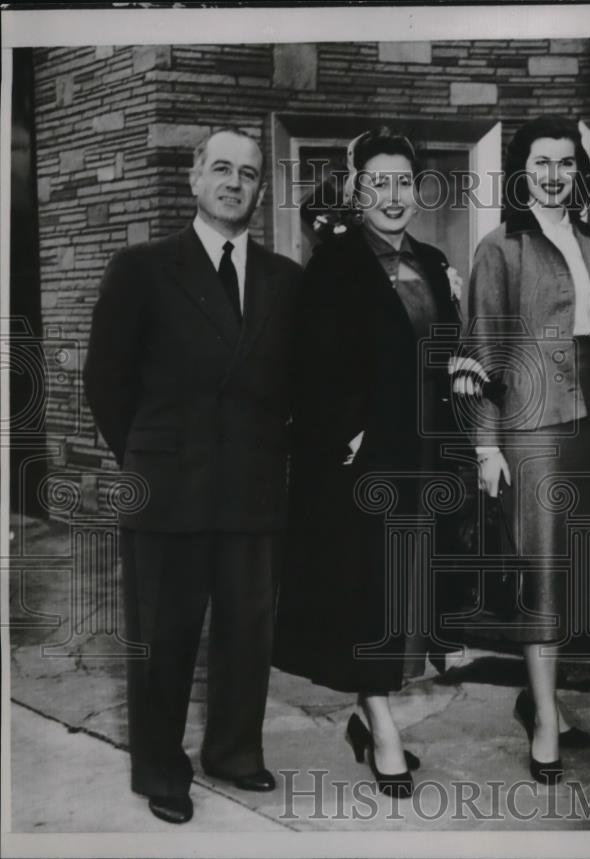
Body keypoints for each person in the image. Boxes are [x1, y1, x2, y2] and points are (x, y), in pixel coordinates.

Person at [83, 129, 302, 824]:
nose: (235, 182)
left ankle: (235, 751)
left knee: (247, 633)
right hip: (168, 487)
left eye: (249, 173)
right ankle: (160, 767)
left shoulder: (286, 279)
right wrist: (150, 455)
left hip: (253, 488)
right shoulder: (142, 268)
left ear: (262, 188)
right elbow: (105, 381)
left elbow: (298, 388)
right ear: (194, 179)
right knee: (164, 638)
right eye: (221, 169)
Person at [272, 127, 462, 799]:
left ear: (418, 189)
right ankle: (382, 726)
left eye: (404, 182)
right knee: (367, 595)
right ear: (357, 191)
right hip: (360, 460)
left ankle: (369, 710)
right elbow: (311, 365)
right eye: (378, 183)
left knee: (403, 591)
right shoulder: (335, 262)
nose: (392, 195)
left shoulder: (435, 262)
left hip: (420, 452)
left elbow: (438, 353)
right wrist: (344, 434)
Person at [463, 115, 590, 785]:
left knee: (579, 572)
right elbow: (477, 354)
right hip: (531, 430)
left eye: (566, 162)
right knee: (542, 573)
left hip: (588, 428)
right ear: (522, 172)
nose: (555, 175)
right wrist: (485, 445)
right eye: (541, 162)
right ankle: (547, 722)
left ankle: (541, 696)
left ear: (578, 172)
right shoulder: (500, 249)